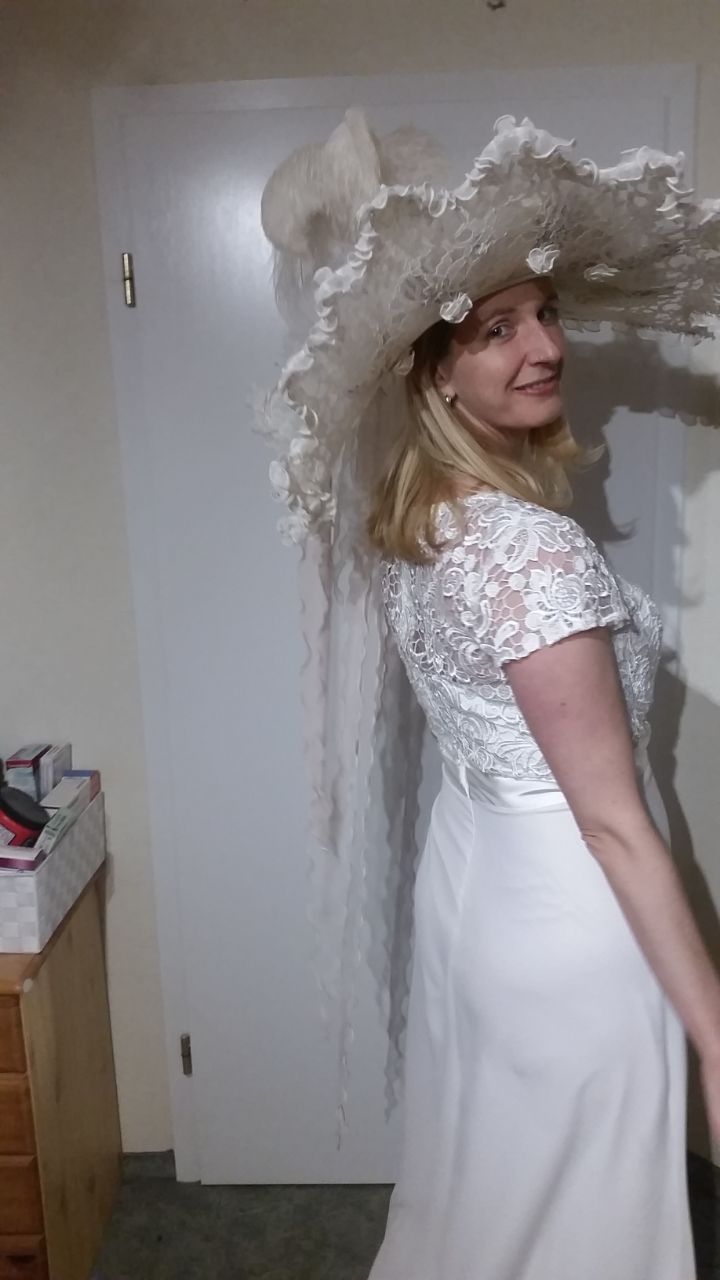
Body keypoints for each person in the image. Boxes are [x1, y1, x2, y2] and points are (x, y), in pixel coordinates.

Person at [258, 110, 720, 1278]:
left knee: (495, 1190)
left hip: (475, 891)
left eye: (546, 312)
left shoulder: (419, 519)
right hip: (570, 920)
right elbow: (612, 822)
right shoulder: (528, 548)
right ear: (437, 374)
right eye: (497, 329)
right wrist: (718, 1034)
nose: (546, 346)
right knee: (581, 1226)